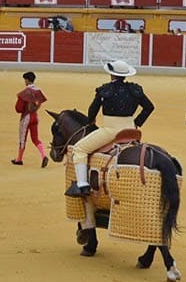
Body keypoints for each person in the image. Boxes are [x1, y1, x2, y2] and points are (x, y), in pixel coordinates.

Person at [64, 60, 154, 197]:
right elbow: (149, 107)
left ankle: (82, 185)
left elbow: (93, 109)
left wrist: (91, 120)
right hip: (131, 131)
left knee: (79, 149)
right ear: (125, 75)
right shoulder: (135, 90)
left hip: (111, 131)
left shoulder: (105, 90)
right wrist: (137, 122)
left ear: (112, 75)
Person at [12, 71, 48, 167]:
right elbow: (40, 102)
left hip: (26, 118)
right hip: (35, 117)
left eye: (25, 80)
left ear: (27, 80)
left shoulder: (25, 93)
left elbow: (18, 109)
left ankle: (19, 159)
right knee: (35, 139)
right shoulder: (38, 91)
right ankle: (44, 155)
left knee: (22, 139)